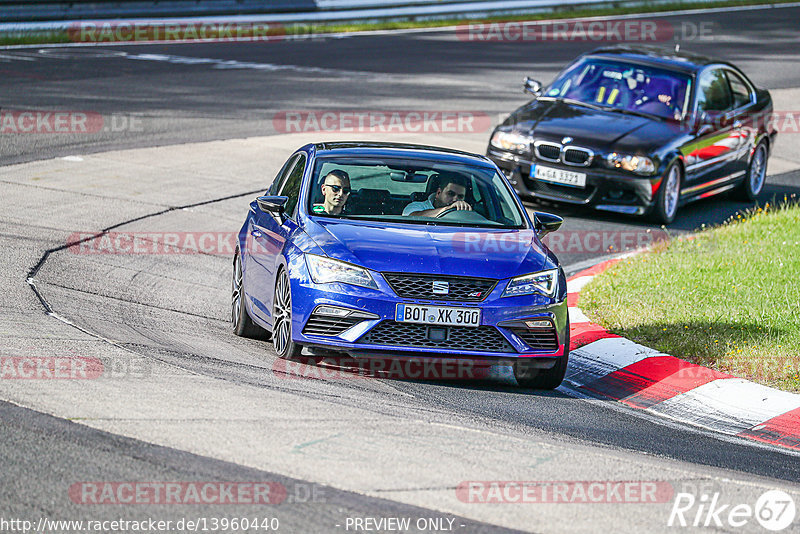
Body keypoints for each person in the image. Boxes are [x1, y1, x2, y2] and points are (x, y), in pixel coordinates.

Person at [402, 174, 472, 217]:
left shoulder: (466, 213)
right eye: (451, 194)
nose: (455, 199)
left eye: (460, 196)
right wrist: (447, 209)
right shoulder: (416, 206)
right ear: (438, 193)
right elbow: (412, 217)